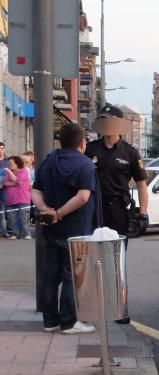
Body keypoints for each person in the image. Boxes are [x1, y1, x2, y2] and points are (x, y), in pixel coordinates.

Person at [31, 123, 97, 334]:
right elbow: (83, 196)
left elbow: (35, 190)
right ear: (82, 142)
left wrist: (46, 210)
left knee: (50, 273)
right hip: (76, 228)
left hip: (51, 229)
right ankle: (69, 322)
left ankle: (50, 321)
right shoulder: (86, 165)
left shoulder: (49, 161)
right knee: (71, 275)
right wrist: (59, 214)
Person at [85, 104, 149, 238]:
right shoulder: (90, 149)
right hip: (94, 207)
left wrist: (143, 214)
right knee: (94, 253)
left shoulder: (130, 153)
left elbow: (141, 185)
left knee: (116, 254)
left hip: (118, 209)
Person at [3, 156, 32, 239]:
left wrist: (9, 172)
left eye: (11, 163)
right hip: (10, 199)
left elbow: (17, 180)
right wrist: (16, 183)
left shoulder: (24, 171)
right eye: (9, 164)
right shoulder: (8, 173)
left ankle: (27, 234)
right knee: (13, 219)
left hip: (22, 199)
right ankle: (16, 234)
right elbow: (5, 183)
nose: (10, 165)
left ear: (17, 163)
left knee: (24, 218)